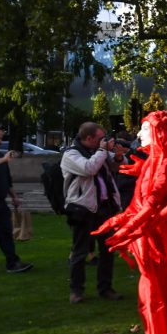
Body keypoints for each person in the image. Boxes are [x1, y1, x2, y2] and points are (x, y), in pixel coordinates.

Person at [96, 112, 167, 334]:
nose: (138, 135)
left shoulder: (165, 163)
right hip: (149, 233)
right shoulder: (155, 161)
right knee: (150, 299)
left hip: (157, 236)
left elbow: (154, 201)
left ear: (157, 133)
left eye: (144, 129)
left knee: (158, 300)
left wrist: (127, 227)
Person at [61, 122, 121, 303]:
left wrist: (117, 156)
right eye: (100, 138)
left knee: (107, 250)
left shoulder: (98, 152)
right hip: (83, 208)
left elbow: (119, 166)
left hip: (104, 207)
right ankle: (76, 291)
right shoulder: (71, 154)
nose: (103, 141)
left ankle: (106, 288)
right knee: (80, 252)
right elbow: (89, 168)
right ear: (89, 138)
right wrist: (103, 152)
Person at [0, 126, 33, 274]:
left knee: (6, 233)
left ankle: (13, 263)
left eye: (1, 138)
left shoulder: (0, 156)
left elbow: (6, 180)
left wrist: (14, 196)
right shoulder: (1, 158)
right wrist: (3, 159)